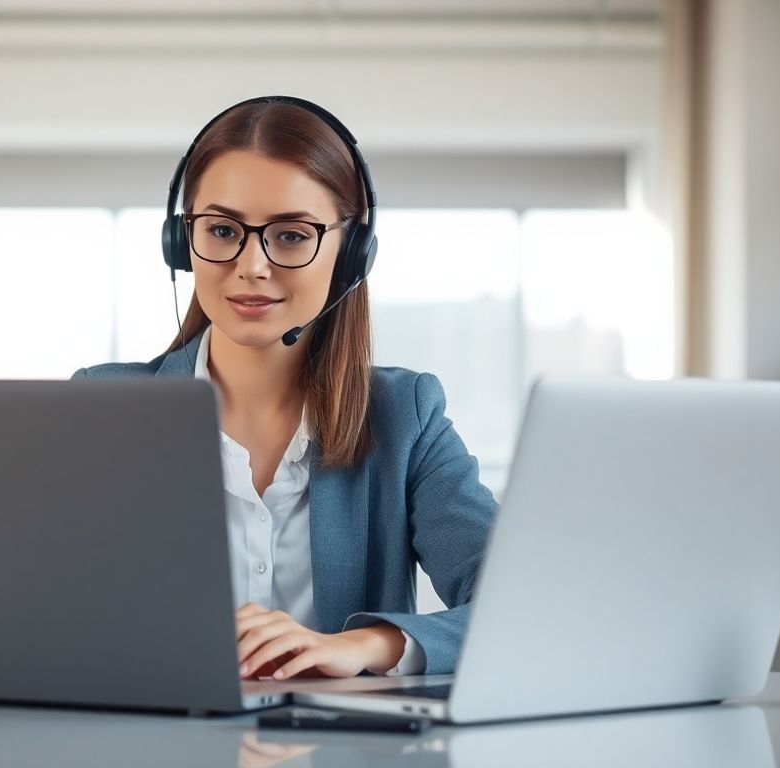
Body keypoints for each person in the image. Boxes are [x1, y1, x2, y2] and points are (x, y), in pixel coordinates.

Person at [73, 96, 496, 680]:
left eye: (292, 236)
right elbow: (34, 607)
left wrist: (369, 644)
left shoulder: (406, 417)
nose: (251, 265)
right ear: (181, 241)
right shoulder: (105, 409)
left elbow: (519, 605)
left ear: (351, 254)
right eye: (222, 230)